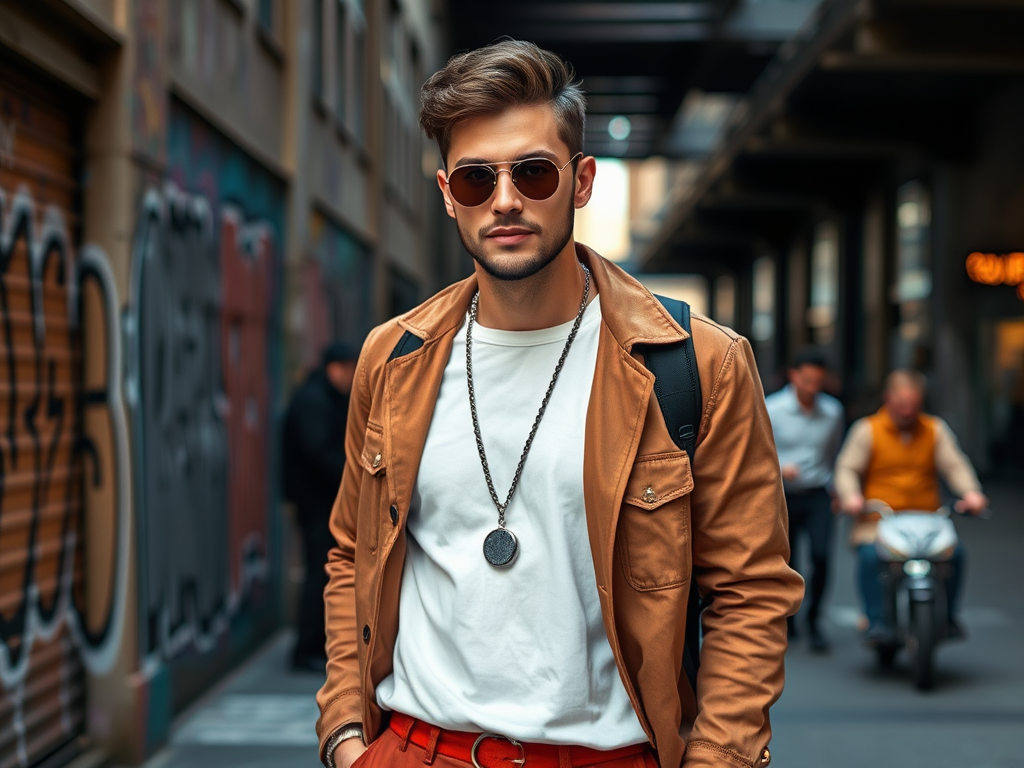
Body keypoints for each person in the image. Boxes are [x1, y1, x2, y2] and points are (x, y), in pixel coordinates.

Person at [316, 41, 803, 768]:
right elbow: (353, 554)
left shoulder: (698, 362)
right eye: (478, 180)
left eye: (533, 172)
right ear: (449, 195)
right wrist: (345, 737)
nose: (506, 199)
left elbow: (751, 591)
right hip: (417, 750)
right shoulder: (393, 358)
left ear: (581, 182)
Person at [834, 369, 988, 644]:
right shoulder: (867, 430)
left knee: (956, 555)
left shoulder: (934, 429)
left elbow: (954, 465)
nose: (907, 412)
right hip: (879, 518)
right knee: (870, 557)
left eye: (913, 406)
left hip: (927, 518)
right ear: (888, 399)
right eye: (902, 405)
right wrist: (851, 496)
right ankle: (876, 619)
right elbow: (848, 468)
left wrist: (972, 493)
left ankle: (949, 616)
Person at [282, 341, 358, 672]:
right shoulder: (315, 400)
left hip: (319, 501)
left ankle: (315, 647)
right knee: (320, 573)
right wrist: (357, 480)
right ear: (335, 368)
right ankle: (307, 650)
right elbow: (319, 453)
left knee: (323, 572)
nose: (354, 376)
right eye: (350, 369)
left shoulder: (321, 396)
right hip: (318, 503)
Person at [764, 349, 845, 652]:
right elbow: (758, 451)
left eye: (819, 382)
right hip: (782, 494)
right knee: (788, 562)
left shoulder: (833, 411)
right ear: (794, 376)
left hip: (818, 493)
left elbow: (834, 452)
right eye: (808, 380)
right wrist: (781, 467)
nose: (813, 388)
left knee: (822, 556)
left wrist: (837, 487)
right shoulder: (773, 409)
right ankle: (790, 619)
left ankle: (814, 619)